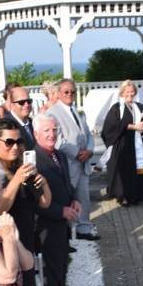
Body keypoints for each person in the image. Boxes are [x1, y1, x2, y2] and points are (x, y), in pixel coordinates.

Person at [0, 117, 50, 286]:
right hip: (4, 246)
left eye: (18, 141)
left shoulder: (21, 167)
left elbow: (44, 203)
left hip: (26, 239)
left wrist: (43, 184)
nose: (14, 147)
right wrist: (16, 180)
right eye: (9, 142)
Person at [34, 113, 82, 286]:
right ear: (36, 134)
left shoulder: (60, 155)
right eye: (46, 131)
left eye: (54, 130)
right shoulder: (34, 159)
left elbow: (66, 184)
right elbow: (34, 200)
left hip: (62, 223)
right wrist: (59, 211)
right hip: (46, 226)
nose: (51, 134)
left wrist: (74, 200)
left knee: (62, 268)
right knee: (51, 273)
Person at [50, 78, 98, 240]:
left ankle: (84, 229)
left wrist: (90, 150)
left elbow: (88, 134)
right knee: (67, 199)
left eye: (72, 92)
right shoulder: (53, 113)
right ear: (58, 93)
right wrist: (78, 153)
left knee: (83, 197)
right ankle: (66, 234)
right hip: (69, 163)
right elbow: (58, 140)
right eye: (66, 92)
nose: (70, 95)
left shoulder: (77, 111)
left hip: (83, 162)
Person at [102, 79, 143, 206]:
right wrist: (133, 127)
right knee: (124, 171)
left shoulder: (140, 107)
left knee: (136, 170)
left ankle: (136, 195)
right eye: (127, 91)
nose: (130, 94)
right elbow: (111, 126)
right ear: (122, 93)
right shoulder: (116, 108)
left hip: (137, 145)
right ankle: (123, 196)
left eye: (132, 91)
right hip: (122, 145)